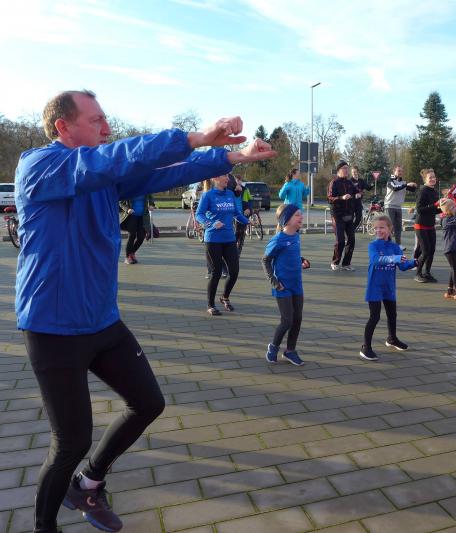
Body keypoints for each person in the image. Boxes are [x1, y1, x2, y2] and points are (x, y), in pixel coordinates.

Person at [15, 89, 275, 533]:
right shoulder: (40, 167)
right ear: (63, 126)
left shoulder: (104, 177)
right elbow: (115, 157)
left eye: (105, 120)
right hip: (52, 327)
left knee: (148, 403)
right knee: (71, 440)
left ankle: (88, 483)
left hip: (102, 320)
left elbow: (162, 171)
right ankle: (45, 527)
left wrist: (233, 158)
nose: (106, 128)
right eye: (96, 120)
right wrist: (196, 136)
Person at [360, 214, 414, 361]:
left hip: (389, 287)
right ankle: (366, 347)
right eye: (376, 228)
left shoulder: (395, 247)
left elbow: (403, 266)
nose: (378, 230)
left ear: (390, 229)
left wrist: (416, 262)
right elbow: (376, 260)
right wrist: (395, 258)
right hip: (374, 287)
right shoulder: (373, 246)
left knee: (392, 315)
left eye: (382, 228)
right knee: (375, 317)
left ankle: (392, 339)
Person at [262, 204, 310, 366]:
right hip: (282, 286)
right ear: (286, 220)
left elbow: (292, 254)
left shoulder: (296, 235)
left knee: (297, 319)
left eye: (301, 214)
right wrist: (274, 282)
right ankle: (273, 347)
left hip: (297, 285)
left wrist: (302, 260)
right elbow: (265, 261)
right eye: (297, 215)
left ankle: (290, 351)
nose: (301, 217)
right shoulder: (278, 240)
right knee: (287, 320)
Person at [197, 174, 249, 315]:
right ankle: (210, 305)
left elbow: (236, 213)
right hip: (213, 240)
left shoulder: (230, 194)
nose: (227, 178)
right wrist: (211, 223)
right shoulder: (208, 195)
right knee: (216, 273)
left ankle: (225, 297)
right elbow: (199, 214)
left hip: (229, 239)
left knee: (234, 271)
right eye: (224, 176)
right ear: (215, 178)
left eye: (227, 175)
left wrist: (247, 221)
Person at [327, 160, 357, 271]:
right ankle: (335, 262)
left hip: (349, 214)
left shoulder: (350, 183)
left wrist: (358, 194)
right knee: (340, 240)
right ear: (338, 170)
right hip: (337, 215)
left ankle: (346, 263)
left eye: (347, 168)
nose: (346, 170)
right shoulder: (334, 183)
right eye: (344, 168)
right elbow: (329, 198)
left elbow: (356, 191)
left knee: (351, 239)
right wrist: (341, 198)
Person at [414, 168, 441, 283]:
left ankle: (427, 273)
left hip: (430, 225)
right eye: (430, 177)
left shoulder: (434, 191)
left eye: (434, 177)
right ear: (425, 179)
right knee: (425, 251)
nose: (433, 179)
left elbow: (434, 210)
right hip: (421, 225)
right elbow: (419, 209)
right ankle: (418, 273)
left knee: (432, 250)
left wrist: (444, 209)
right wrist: (435, 205)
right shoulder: (422, 191)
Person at [383, 165, 417, 246]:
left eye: (401, 171)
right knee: (390, 227)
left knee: (398, 227)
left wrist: (414, 186)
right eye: (398, 171)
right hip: (389, 206)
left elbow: (412, 190)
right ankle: (387, 245)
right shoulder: (390, 181)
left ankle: (398, 245)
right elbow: (395, 188)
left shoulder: (403, 182)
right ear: (394, 172)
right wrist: (406, 185)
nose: (400, 172)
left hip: (398, 207)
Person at [119, 194, 155, 264]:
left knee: (141, 237)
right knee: (132, 236)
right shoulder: (129, 189)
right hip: (131, 216)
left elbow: (151, 198)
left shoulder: (146, 189)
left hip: (143, 217)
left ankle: (132, 253)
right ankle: (127, 257)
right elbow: (121, 202)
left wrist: (151, 205)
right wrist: (128, 209)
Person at [233, 174, 252, 255]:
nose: (238, 182)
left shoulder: (245, 189)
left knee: (242, 232)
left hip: (243, 213)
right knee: (236, 232)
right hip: (233, 214)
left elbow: (250, 200)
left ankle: (239, 249)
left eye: (240, 180)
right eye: (237, 180)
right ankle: (233, 248)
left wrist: (249, 209)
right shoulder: (230, 190)